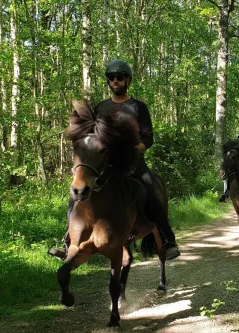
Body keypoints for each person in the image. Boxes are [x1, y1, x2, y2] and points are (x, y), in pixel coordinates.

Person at [49, 59, 180, 260]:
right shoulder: (102, 107)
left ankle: (168, 239)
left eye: (119, 78)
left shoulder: (139, 107)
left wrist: (134, 151)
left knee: (150, 190)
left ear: (127, 80)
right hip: (104, 162)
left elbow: (148, 137)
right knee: (75, 193)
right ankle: (67, 242)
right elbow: (90, 135)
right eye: (111, 78)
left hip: (132, 161)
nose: (115, 81)